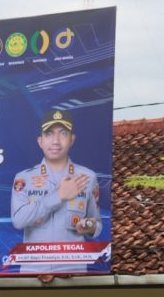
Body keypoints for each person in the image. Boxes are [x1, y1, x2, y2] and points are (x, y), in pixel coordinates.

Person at [10, 110, 102, 273]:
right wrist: (58, 195)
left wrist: (90, 226)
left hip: (73, 270)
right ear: (40, 141)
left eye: (63, 133)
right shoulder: (24, 178)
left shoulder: (87, 177)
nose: (56, 141)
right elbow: (19, 221)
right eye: (49, 134)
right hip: (33, 270)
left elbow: (97, 224)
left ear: (72, 139)